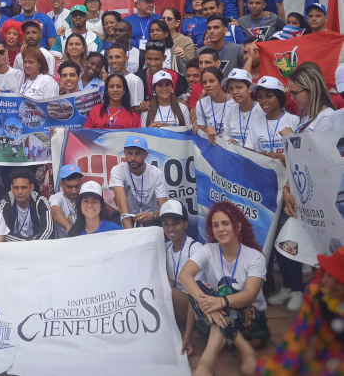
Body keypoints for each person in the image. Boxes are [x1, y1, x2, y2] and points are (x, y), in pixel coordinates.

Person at [178, 201, 268, 376]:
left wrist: (219, 302)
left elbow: (250, 295)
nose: (220, 229)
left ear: (238, 226)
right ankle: (245, 351)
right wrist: (188, 334)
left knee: (224, 290)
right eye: (215, 225)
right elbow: (184, 275)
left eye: (225, 223)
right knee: (196, 286)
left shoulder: (255, 257)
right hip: (213, 320)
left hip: (252, 324)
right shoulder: (208, 250)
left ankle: (206, 364)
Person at [257, 245, 344, 375]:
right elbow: (299, 334)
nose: (330, 285)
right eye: (329, 274)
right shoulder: (315, 291)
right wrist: (283, 370)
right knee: (268, 370)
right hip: (324, 354)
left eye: (339, 281)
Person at [109, 136, 168, 229]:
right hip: (126, 215)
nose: (133, 158)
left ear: (146, 155)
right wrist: (131, 234)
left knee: (157, 226)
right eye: (130, 153)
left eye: (137, 154)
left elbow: (164, 209)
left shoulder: (156, 174)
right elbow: (122, 206)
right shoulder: (118, 171)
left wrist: (151, 215)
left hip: (149, 216)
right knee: (114, 222)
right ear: (125, 153)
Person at [161, 200, 202, 328]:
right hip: (177, 305)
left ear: (185, 224)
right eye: (166, 224)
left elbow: (199, 292)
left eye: (176, 223)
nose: (170, 228)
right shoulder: (166, 248)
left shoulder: (194, 248)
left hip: (197, 306)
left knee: (168, 292)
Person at [0, 169, 53, 241]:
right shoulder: (5, 203)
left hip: (37, 247)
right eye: (16, 188)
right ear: (11, 188)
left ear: (31, 188)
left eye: (24, 187)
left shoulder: (41, 202)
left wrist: (35, 243)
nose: (20, 192)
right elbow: (3, 232)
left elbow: (48, 229)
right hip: (14, 247)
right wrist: (28, 241)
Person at [219, 68, 264, 147]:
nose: (235, 92)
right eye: (231, 88)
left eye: (239, 87)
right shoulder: (230, 109)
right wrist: (228, 141)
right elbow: (225, 134)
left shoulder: (261, 110)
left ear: (249, 88)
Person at [194, 67, 236, 143]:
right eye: (204, 82)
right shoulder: (201, 104)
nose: (208, 85)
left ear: (221, 83)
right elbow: (202, 135)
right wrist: (207, 130)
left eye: (212, 81)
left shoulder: (235, 102)